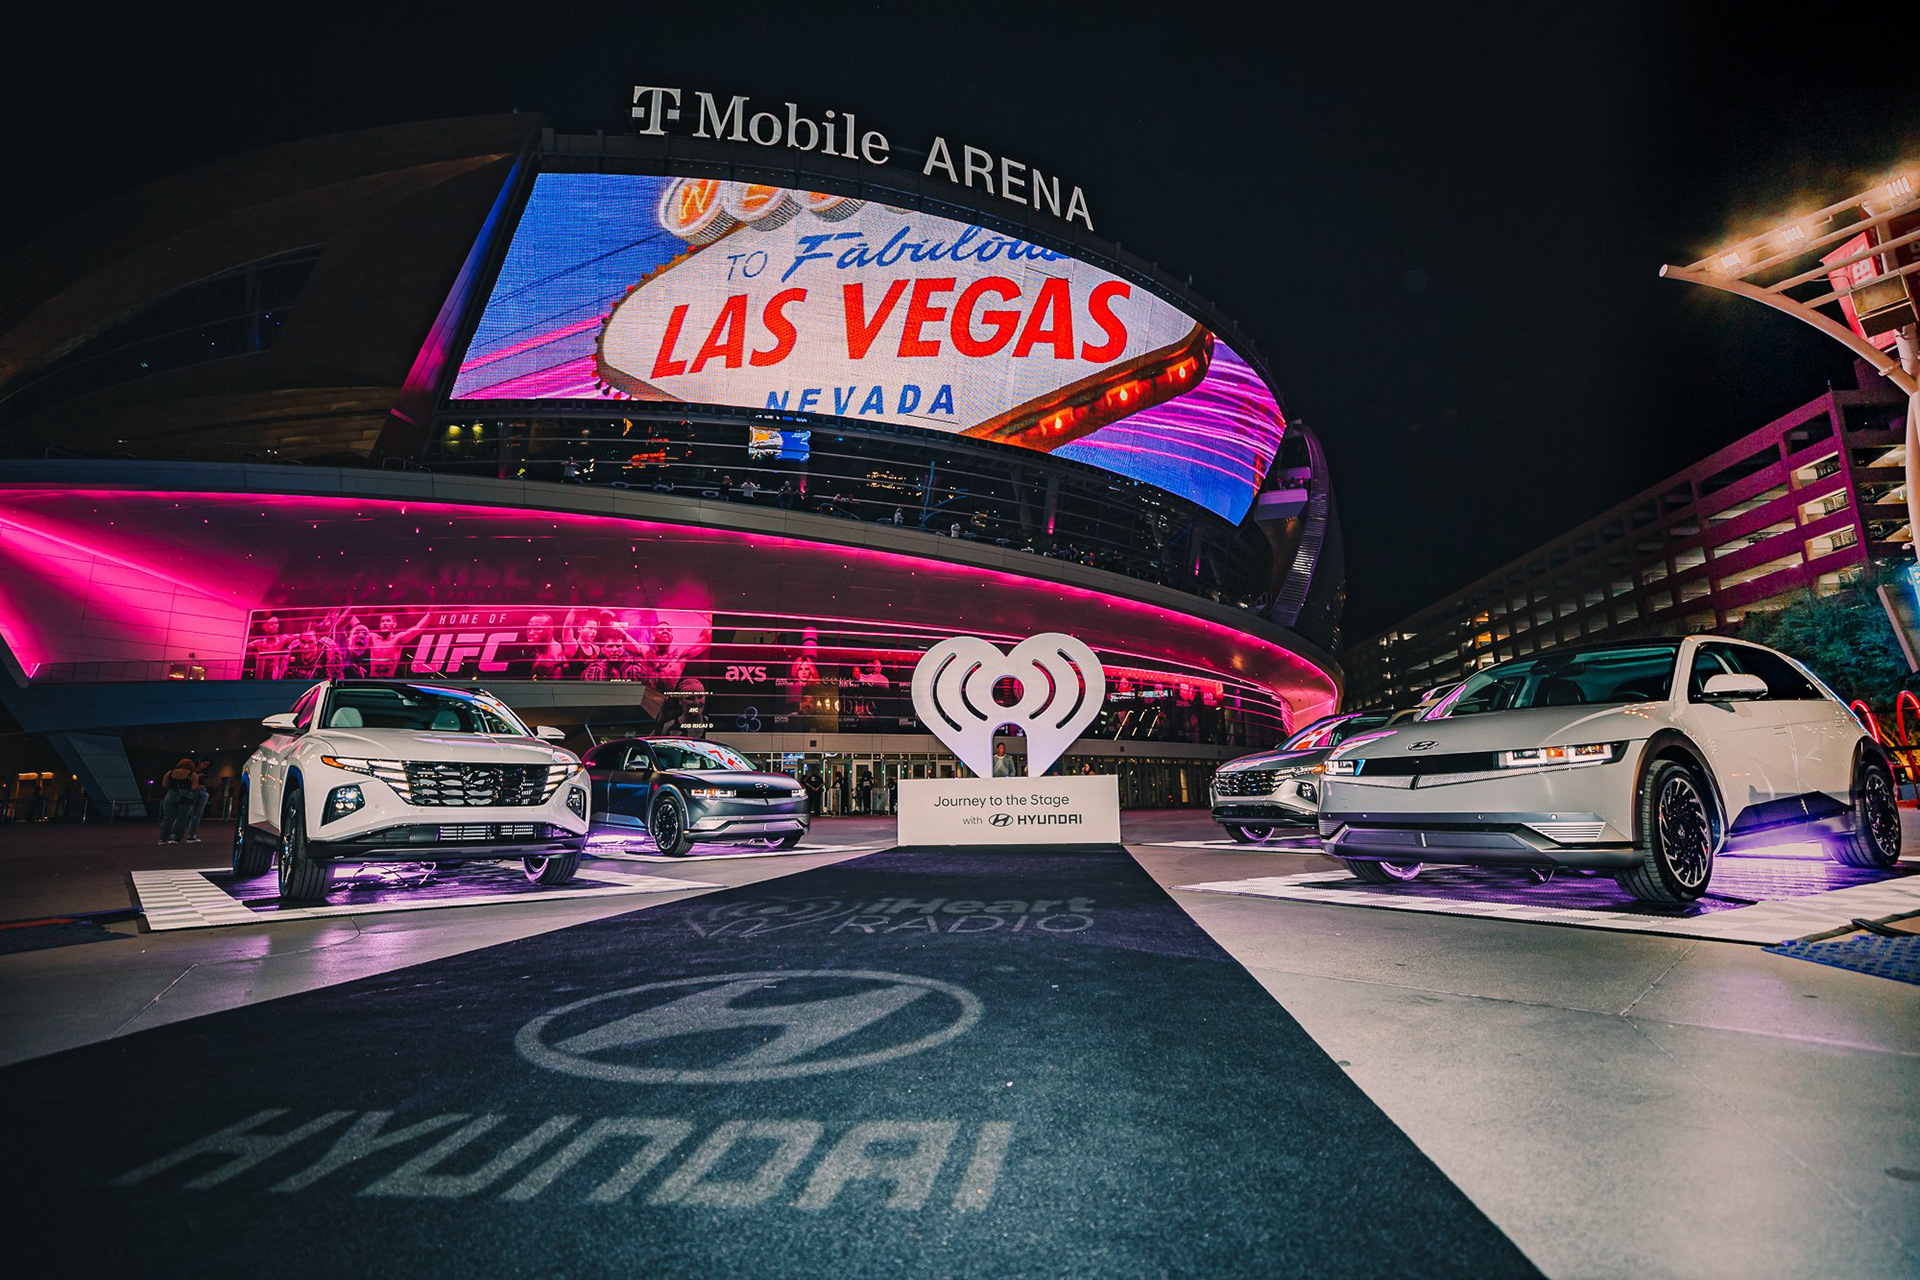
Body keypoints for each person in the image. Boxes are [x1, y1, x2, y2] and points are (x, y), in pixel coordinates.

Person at [157, 758, 196, 844]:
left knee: (168, 818)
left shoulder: (170, 773)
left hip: (171, 794)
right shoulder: (193, 774)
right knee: (182, 818)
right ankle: (175, 837)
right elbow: (194, 787)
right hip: (185, 795)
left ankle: (163, 838)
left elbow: (164, 785)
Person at [183, 761, 213, 842]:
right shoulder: (191, 773)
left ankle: (192, 834)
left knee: (197, 814)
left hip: (202, 790)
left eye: (207, 765)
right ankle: (178, 834)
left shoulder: (204, 772)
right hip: (193, 791)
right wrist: (197, 777)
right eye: (204, 764)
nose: (205, 766)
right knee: (188, 812)